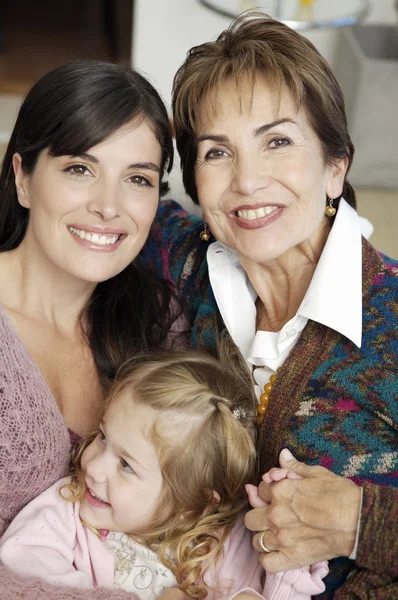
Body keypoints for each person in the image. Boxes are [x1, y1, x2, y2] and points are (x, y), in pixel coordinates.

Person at [141, 13, 398, 597]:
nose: (247, 181)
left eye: (277, 141)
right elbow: (95, 205)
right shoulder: (189, 262)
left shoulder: (391, 319)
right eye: (216, 152)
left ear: (336, 167)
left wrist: (362, 523)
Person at [0, 60, 183, 599]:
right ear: (24, 177)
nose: (108, 207)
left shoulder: (157, 323)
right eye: (81, 168)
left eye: (137, 179)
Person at [0, 343, 328, 599]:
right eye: (102, 437)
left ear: (193, 504)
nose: (94, 467)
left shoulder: (221, 547)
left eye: (126, 464)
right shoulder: (65, 509)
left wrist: (287, 554)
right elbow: (24, 570)